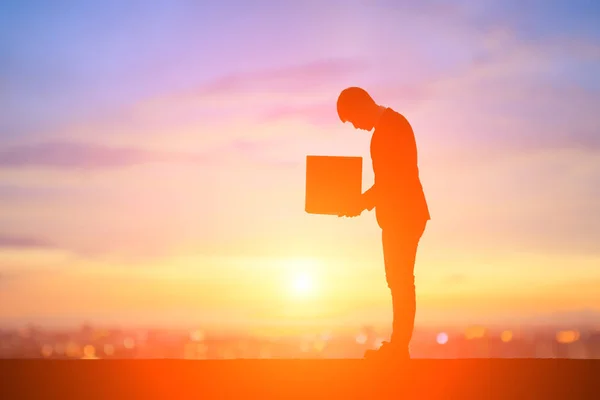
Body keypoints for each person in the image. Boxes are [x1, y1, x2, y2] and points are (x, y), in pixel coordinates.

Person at [336, 87, 430, 362]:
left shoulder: (392, 127)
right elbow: (389, 181)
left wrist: (361, 202)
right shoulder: (389, 127)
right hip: (400, 215)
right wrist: (362, 202)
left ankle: (400, 348)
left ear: (361, 107)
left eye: (353, 119)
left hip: (405, 215)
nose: (355, 126)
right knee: (398, 280)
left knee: (400, 281)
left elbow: (394, 180)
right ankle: (399, 346)